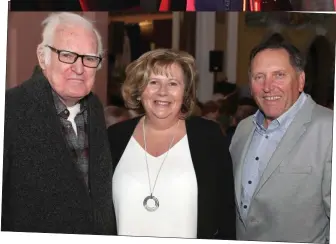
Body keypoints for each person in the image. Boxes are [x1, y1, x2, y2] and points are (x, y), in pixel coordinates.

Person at [2, 12, 116, 235]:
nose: (79, 68)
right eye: (67, 55)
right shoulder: (10, 109)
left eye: (89, 58)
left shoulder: (94, 108)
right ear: (43, 57)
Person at [107, 49, 236, 239]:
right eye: (153, 82)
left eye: (173, 83)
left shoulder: (209, 136)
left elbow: (226, 212)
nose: (163, 92)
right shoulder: (114, 137)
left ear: (185, 93)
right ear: (139, 90)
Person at [230, 42, 332, 243]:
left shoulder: (329, 129)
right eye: (259, 77)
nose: (268, 87)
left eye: (279, 75)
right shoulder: (243, 129)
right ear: (250, 85)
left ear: (300, 80)